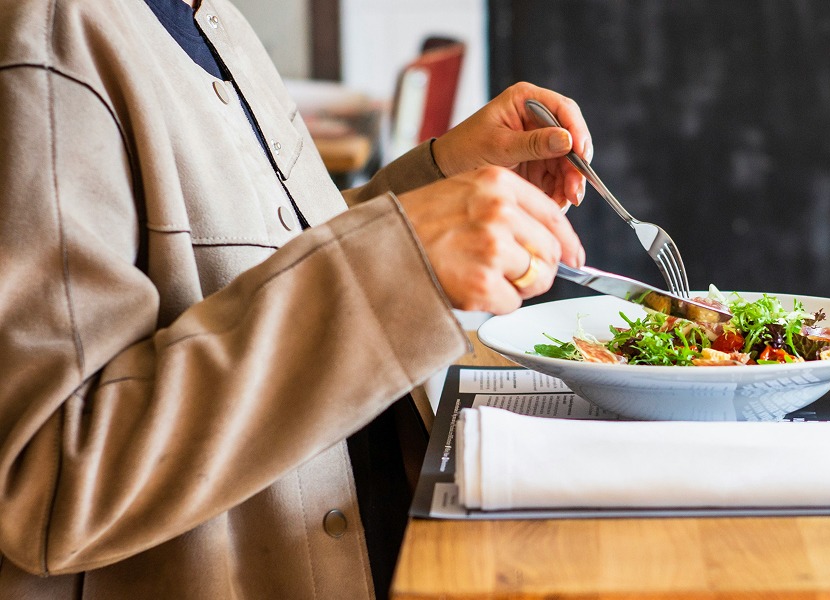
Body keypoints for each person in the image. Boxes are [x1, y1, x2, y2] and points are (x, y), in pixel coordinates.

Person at [0, 0, 593, 597]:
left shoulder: (211, 18)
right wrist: (395, 260)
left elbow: (268, 270)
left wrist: (439, 179)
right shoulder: (50, 33)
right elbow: (47, 488)